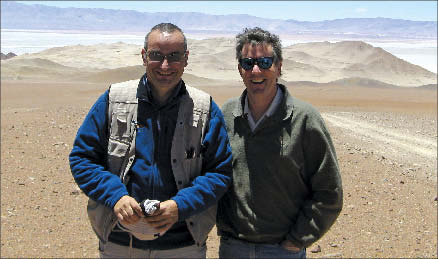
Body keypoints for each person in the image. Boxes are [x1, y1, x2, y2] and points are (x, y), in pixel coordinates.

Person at [69, 23, 232, 258]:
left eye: (174, 56)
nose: (165, 65)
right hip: (120, 243)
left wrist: (180, 207)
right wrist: (116, 197)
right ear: (144, 56)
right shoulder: (115, 100)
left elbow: (220, 171)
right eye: (157, 56)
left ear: (186, 59)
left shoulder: (204, 108)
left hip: (183, 245)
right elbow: (82, 158)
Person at [216, 27, 343, 258]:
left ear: (279, 66)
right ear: (239, 69)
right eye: (248, 63)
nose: (256, 70)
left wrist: (298, 239)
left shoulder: (305, 119)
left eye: (265, 62)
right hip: (233, 247)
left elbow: (329, 191)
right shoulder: (226, 115)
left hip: (282, 250)